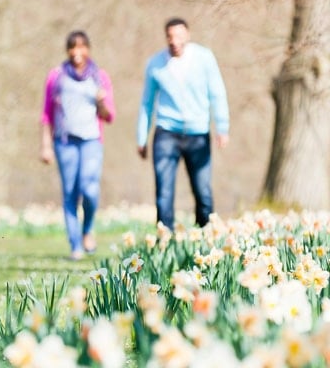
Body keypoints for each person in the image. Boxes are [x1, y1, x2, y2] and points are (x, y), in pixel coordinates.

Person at [136, 17, 229, 231]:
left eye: (179, 36)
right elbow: (146, 103)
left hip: (198, 133)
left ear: (187, 35)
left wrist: (222, 127)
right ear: (166, 38)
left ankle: (207, 236)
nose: (174, 41)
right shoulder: (156, 64)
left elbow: (217, 93)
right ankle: (164, 238)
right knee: (164, 192)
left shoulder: (204, 58)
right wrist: (142, 138)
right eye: (170, 36)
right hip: (167, 133)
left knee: (203, 190)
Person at [40, 31, 115, 261]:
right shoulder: (57, 76)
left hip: (92, 140)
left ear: (88, 49)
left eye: (82, 47)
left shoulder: (99, 77)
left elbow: (109, 116)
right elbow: (47, 114)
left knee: (90, 189)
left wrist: (102, 101)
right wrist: (45, 146)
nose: (77, 52)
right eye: (72, 47)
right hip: (64, 142)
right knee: (70, 193)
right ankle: (75, 245)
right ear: (67, 50)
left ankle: (88, 230)